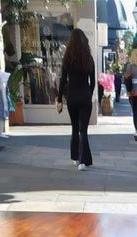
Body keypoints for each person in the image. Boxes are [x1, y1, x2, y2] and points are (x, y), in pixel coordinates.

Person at [56, 27, 95, 169]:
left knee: (74, 128)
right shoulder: (89, 59)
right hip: (85, 96)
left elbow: (62, 80)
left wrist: (60, 98)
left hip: (72, 97)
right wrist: (89, 94)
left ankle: (75, 157)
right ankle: (83, 161)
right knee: (83, 130)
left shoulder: (67, 58)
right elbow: (93, 81)